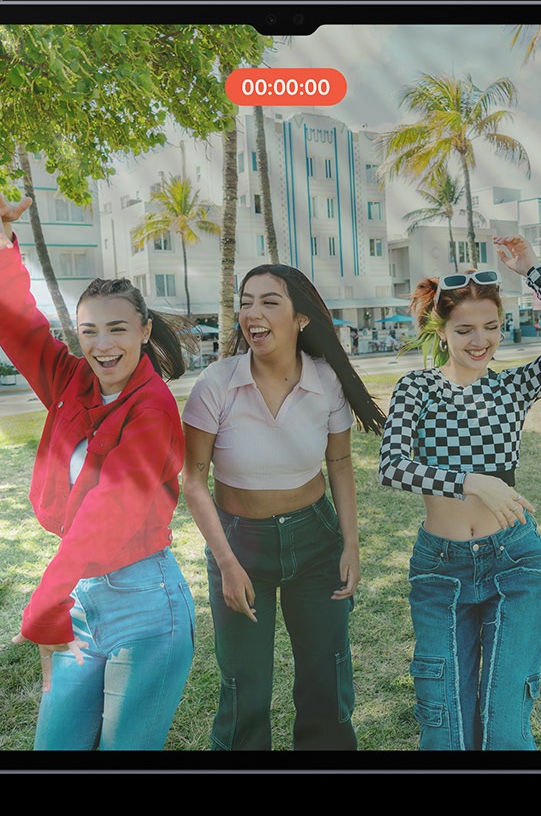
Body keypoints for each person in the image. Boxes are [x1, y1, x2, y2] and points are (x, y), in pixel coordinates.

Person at [0, 185, 195, 750]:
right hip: (83, 593)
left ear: (144, 333)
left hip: (146, 605)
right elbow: (20, 328)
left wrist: (47, 598)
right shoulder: (71, 381)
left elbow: (109, 512)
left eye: (118, 329)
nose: (102, 344)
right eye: (89, 329)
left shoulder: (153, 408)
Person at [378, 235, 541, 751]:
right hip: (440, 569)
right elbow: (392, 468)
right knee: (444, 724)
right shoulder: (419, 389)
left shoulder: (513, 387)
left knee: (504, 726)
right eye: (466, 329)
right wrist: (471, 481)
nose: (481, 341)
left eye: (491, 327)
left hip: (515, 563)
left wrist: (532, 271)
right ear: (442, 329)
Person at [181, 264, 387, 750]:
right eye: (247, 301)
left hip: (316, 540)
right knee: (244, 683)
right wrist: (227, 563)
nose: (253, 313)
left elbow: (339, 462)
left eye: (269, 302)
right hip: (240, 544)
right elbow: (192, 479)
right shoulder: (217, 383)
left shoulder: (326, 382)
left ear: (301, 319)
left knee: (326, 674)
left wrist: (351, 543)